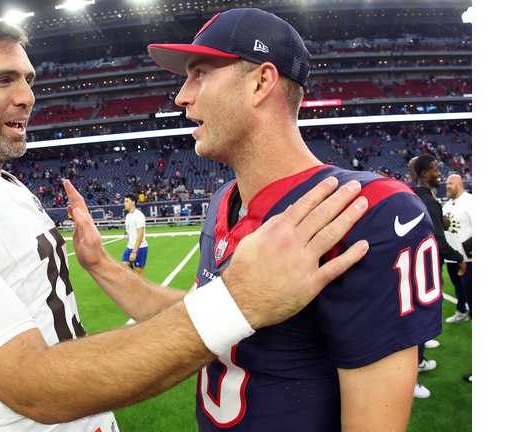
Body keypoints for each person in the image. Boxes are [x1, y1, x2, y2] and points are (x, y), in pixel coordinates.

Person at [0, 17, 369, 432]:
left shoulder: (10, 188)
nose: (28, 96)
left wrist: (99, 264)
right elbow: (31, 385)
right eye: (3, 80)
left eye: (29, 80)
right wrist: (239, 300)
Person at [142, 8, 441, 429]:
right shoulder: (221, 201)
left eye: (201, 73)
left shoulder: (371, 212)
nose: (182, 96)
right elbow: (200, 316)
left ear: (261, 82)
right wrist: (100, 265)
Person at [411, 154, 467, 395]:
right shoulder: (429, 201)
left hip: (416, 266)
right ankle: (413, 371)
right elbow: (438, 242)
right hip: (426, 267)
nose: (438, 172)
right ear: (425, 174)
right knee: (421, 317)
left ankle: (420, 353)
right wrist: (460, 258)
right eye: (434, 168)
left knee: (421, 315)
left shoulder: (416, 196)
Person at [443, 174, 472, 325]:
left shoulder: (470, 201)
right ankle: (461, 312)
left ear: (459, 184)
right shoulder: (448, 205)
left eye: (450, 183)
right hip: (452, 257)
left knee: (470, 289)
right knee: (458, 288)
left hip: (468, 257)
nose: (447, 186)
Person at [121, 193, 149, 276]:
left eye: (127, 201)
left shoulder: (139, 215)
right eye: (124, 201)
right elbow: (129, 233)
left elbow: (140, 235)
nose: (124, 203)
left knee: (139, 274)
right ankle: (133, 287)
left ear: (133, 203)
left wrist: (134, 252)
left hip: (139, 248)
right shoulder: (128, 216)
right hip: (129, 247)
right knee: (124, 270)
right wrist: (127, 247)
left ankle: (144, 289)